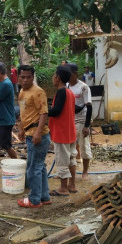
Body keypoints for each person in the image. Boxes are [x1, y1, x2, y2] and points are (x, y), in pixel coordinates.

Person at [16, 65, 51, 208]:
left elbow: (44, 113)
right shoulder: (22, 92)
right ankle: (44, 196)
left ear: (33, 77)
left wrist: (37, 132)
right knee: (39, 167)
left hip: (38, 135)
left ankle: (35, 200)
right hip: (29, 134)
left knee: (33, 168)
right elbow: (25, 112)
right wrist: (21, 129)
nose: (25, 80)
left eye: (28, 77)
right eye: (22, 77)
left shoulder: (38, 92)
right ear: (18, 77)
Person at [48, 65, 77, 196]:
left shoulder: (61, 92)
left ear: (58, 77)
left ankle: (63, 188)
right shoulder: (70, 92)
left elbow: (56, 111)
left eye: (54, 76)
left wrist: (43, 110)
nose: (53, 78)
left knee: (62, 161)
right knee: (71, 158)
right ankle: (72, 184)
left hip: (62, 132)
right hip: (70, 131)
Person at [67, 63, 93, 180]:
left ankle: (85, 171)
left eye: (70, 74)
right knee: (69, 146)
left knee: (84, 146)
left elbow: (89, 107)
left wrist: (87, 126)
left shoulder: (83, 87)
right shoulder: (66, 85)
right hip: (70, 120)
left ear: (75, 74)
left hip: (82, 120)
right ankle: (69, 170)